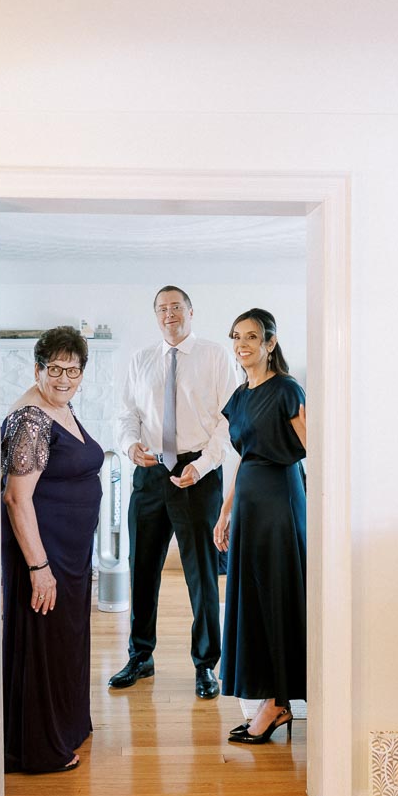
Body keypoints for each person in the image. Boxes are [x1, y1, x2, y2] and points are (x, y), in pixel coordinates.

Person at [112, 286, 235, 700]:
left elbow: (227, 421)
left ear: (191, 311)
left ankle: (205, 665)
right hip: (149, 474)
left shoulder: (216, 356)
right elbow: (127, 414)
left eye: (176, 307)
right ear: (155, 315)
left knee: (202, 573)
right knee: (141, 568)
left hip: (198, 473)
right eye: (162, 309)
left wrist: (200, 467)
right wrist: (130, 446)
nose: (169, 314)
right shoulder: (140, 360)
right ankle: (140, 656)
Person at [0, 327, 103, 774]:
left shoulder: (59, 406)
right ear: (38, 368)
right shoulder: (31, 418)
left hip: (71, 552)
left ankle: (67, 724)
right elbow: (17, 498)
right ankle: (39, 748)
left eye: (73, 370)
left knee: (65, 640)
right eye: (55, 369)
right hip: (45, 553)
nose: (64, 378)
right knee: (43, 643)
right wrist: (38, 567)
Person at [212, 309, 306, 745]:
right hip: (249, 500)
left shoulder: (287, 389)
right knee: (251, 599)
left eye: (251, 336)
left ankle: (275, 705)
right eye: (237, 337)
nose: (242, 344)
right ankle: (272, 702)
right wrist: (225, 511)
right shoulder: (239, 396)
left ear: (270, 343)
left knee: (276, 596)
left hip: (279, 502)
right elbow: (244, 458)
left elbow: (314, 448)